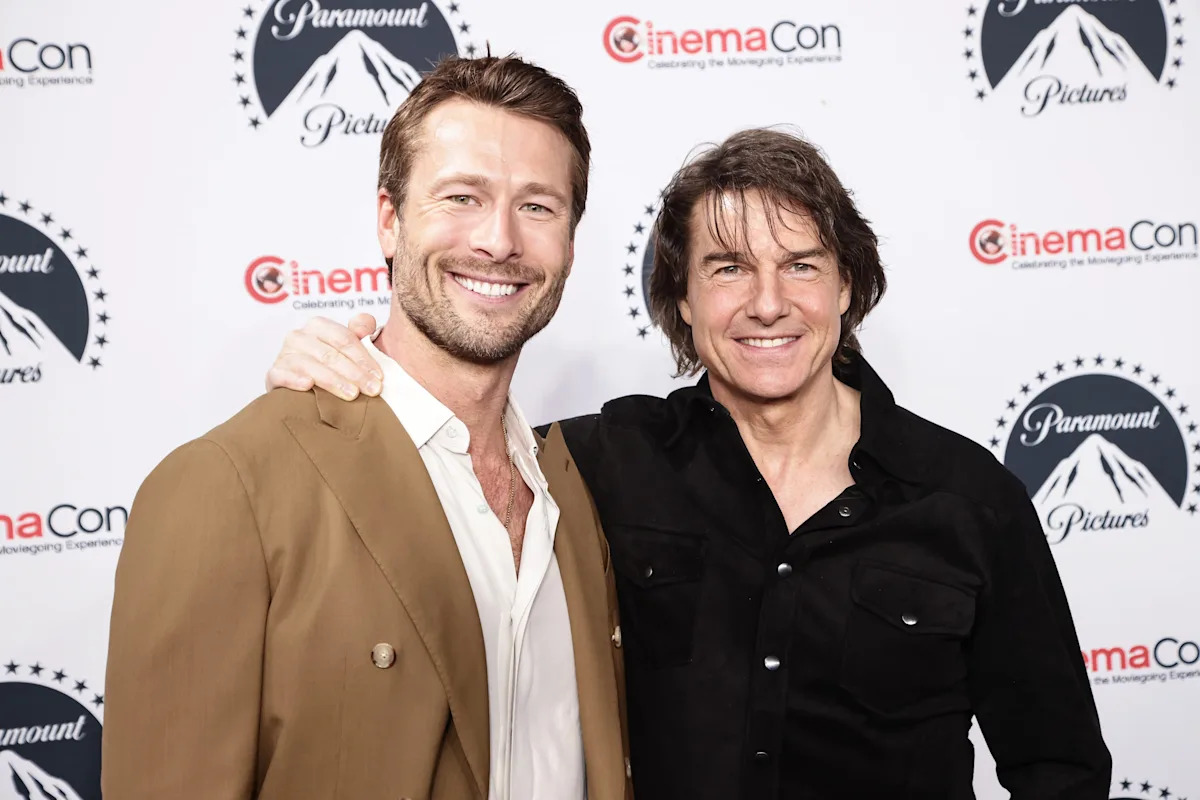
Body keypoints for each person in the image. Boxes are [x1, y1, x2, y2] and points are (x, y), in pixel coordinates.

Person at [266, 129, 1111, 798]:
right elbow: (444, 453)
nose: (769, 304)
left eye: (802, 266)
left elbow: (1060, 766)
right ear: (681, 297)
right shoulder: (597, 464)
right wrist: (338, 374)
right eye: (729, 268)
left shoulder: (970, 498)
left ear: (847, 287)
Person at [103, 56, 632, 800]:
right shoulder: (230, 485)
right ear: (389, 221)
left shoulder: (572, 493)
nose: (499, 240)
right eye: (462, 197)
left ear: (571, 245)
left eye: (538, 207)